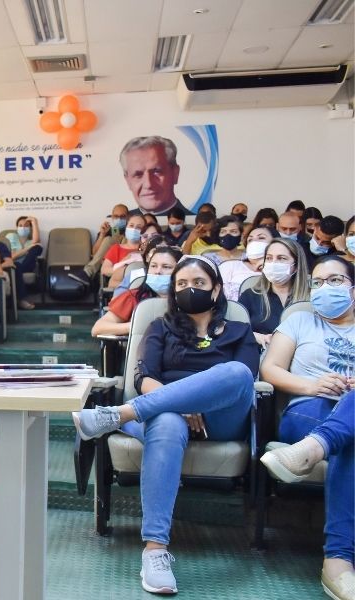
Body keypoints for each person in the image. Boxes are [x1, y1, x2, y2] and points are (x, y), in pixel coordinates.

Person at [72, 254, 258, 594]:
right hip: (163, 413)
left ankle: (120, 414)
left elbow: (244, 382)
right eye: (182, 284)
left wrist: (195, 400)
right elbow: (145, 378)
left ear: (216, 290)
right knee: (168, 420)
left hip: (221, 418)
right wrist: (181, 403)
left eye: (199, 283)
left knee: (236, 372)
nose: (190, 289)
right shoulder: (161, 326)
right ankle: (155, 550)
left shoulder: (239, 331)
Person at [260, 255, 355, 600]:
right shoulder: (299, 322)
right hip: (307, 411)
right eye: (317, 282)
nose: (324, 288)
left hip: (344, 420)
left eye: (335, 281)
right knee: (349, 438)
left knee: (350, 432)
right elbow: (270, 369)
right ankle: (339, 561)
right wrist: (311, 386)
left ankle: (316, 448)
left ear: (353, 288)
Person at [92, 245, 181, 336]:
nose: (158, 271)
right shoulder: (134, 296)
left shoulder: (188, 299)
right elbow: (98, 328)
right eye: (153, 266)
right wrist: (136, 326)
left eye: (166, 267)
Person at [238, 238, 310, 350]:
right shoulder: (250, 295)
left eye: (281, 258)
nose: (273, 263)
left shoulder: (310, 297)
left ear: (296, 266)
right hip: (260, 356)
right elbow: (233, 329)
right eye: (269, 258)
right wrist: (255, 336)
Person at [119, 136, 190, 216]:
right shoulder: (115, 224)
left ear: (175, 173)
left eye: (157, 172)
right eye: (138, 175)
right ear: (127, 181)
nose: (148, 184)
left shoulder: (193, 222)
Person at [68, 204, 129, 286]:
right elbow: (95, 253)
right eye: (116, 216)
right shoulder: (107, 231)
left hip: (125, 263)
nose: (119, 219)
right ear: (112, 217)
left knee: (123, 239)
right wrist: (102, 235)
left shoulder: (133, 230)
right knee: (108, 239)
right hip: (108, 264)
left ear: (128, 217)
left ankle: (88, 272)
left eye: (122, 216)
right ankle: (87, 272)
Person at [218, 226, 273, 300]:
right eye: (250, 240)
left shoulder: (279, 269)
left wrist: (269, 267)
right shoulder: (229, 266)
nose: (254, 242)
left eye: (261, 238)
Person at [5, 216, 43, 310]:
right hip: (14, 266)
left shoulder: (31, 242)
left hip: (28, 266)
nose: (23, 227)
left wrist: (35, 222)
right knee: (17, 265)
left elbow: (36, 241)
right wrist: (27, 249)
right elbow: (12, 257)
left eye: (26, 225)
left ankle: (20, 300)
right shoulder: (11, 236)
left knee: (37, 247)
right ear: (17, 227)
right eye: (20, 225)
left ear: (30, 228)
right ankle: (21, 300)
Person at [100, 213, 146, 288]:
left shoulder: (147, 249)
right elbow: (104, 270)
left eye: (139, 227)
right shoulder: (116, 248)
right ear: (126, 228)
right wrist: (124, 268)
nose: (134, 229)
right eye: (131, 225)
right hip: (121, 288)